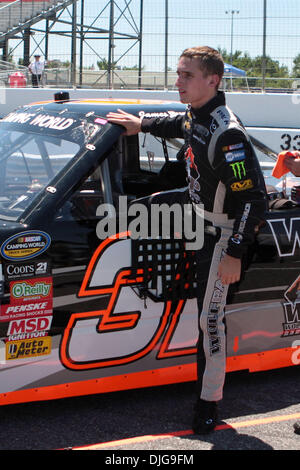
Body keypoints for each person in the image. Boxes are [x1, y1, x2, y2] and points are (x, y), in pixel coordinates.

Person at [106, 46, 267, 434]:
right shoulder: (198, 116)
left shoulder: (227, 134)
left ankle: (208, 403)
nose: (177, 82)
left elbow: (254, 200)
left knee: (209, 321)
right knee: (130, 210)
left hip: (222, 234)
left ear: (213, 80)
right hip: (199, 218)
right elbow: (176, 124)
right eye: (177, 74)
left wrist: (233, 253)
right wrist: (139, 124)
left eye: (186, 76)